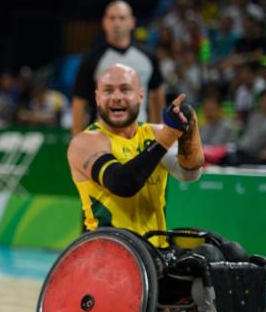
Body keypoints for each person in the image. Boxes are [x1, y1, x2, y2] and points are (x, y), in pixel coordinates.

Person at [67, 64, 204, 247]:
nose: (116, 97)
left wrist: (189, 129)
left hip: (154, 254)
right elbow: (123, 183)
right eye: (108, 91)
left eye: (125, 89)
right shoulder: (84, 142)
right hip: (107, 253)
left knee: (222, 252)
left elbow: (189, 175)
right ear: (97, 98)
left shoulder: (155, 133)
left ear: (140, 96)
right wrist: (168, 135)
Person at [71, 0, 165, 136]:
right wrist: (77, 138)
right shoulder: (92, 58)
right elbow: (79, 101)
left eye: (122, 18)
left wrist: (157, 133)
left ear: (132, 22)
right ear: (104, 22)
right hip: (103, 137)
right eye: (112, 18)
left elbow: (157, 93)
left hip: (140, 136)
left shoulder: (148, 56)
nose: (116, 23)